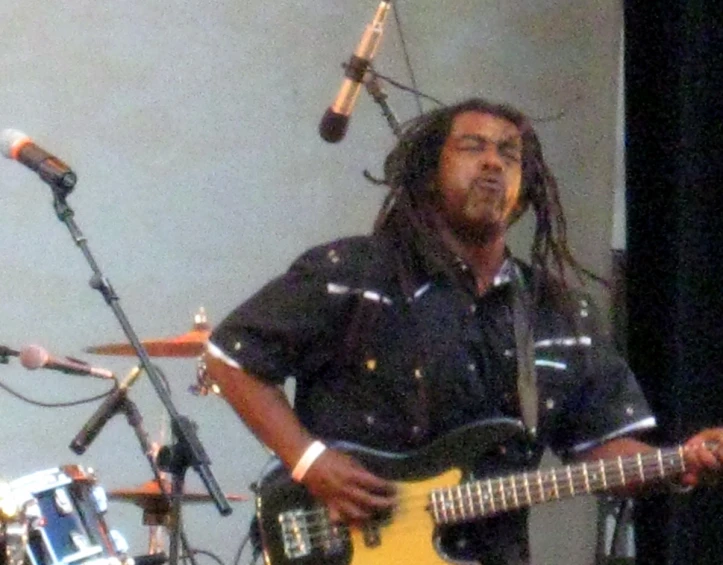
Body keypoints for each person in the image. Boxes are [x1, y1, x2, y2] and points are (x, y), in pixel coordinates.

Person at [203, 98, 723, 565]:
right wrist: (310, 460)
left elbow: (600, 448)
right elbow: (231, 357)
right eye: (472, 147)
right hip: (343, 540)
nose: (493, 162)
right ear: (430, 172)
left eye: (509, 154)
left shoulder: (555, 313)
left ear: (525, 190)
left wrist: (678, 462)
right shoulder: (356, 273)